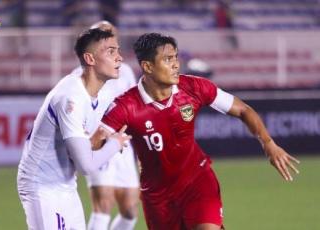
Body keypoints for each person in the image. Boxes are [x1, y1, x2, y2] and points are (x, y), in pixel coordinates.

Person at [95, 33, 300, 230]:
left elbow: (243, 110)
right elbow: (94, 142)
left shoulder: (194, 87)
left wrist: (268, 143)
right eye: (167, 59)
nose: (176, 64)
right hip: (158, 197)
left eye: (175, 57)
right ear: (147, 66)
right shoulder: (125, 105)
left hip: (198, 182)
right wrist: (107, 143)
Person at [17, 28, 131, 230]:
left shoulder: (96, 94)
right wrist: (115, 144)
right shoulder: (71, 97)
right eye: (111, 51)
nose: (119, 58)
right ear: (90, 58)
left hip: (66, 185)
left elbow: (82, 149)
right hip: (42, 187)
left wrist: (96, 141)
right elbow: (86, 166)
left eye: (118, 51)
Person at [74, 21, 139, 230]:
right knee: (103, 206)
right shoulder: (82, 73)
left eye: (112, 35)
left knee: (129, 210)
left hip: (123, 145)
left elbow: (135, 105)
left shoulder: (125, 71)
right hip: (100, 142)